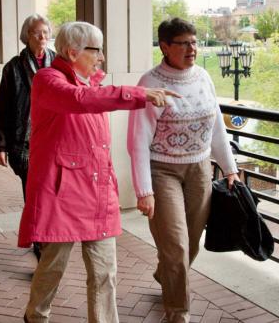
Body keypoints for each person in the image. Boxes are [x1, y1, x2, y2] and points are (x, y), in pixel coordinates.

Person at [18, 21, 179, 323]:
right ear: (72, 51)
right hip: (61, 192)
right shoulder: (47, 79)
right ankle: (36, 317)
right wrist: (139, 93)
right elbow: (78, 101)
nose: (101, 57)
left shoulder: (93, 83)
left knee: (106, 272)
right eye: (97, 50)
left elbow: (93, 111)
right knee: (53, 267)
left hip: (96, 192)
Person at [127, 17, 240, 323]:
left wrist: (229, 167)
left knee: (190, 241)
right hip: (163, 171)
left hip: (200, 168)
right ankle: (178, 311)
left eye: (194, 41)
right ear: (164, 46)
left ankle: (166, 274)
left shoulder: (203, 77)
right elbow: (137, 141)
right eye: (184, 43)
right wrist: (144, 191)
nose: (192, 48)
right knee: (176, 244)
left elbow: (216, 126)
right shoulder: (149, 84)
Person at [0, 13, 56, 261]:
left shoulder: (58, 63)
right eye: (36, 32)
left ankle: (48, 236)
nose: (42, 37)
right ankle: (40, 242)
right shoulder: (14, 67)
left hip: (54, 138)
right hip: (25, 143)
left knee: (51, 192)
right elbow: (2, 107)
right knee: (34, 194)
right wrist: (0, 144)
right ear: (26, 36)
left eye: (45, 31)